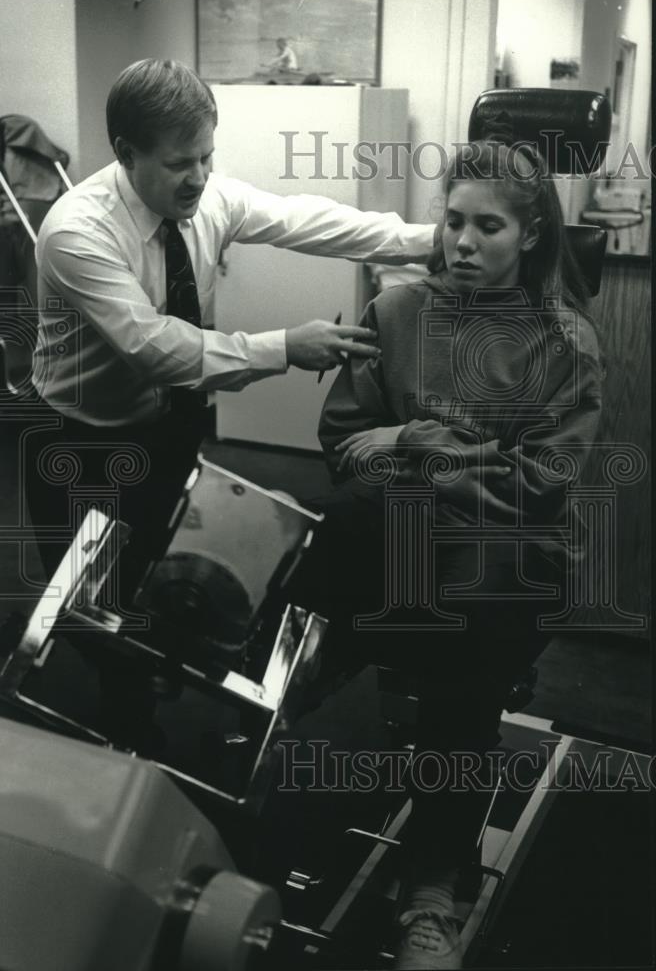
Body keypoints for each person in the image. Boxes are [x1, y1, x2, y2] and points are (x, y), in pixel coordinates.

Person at [23, 58, 435, 747]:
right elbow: (154, 346)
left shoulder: (206, 198)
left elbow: (304, 220)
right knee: (88, 609)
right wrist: (284, 346)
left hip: (170, 424)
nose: (200, 177)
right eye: (182, 162)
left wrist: (432, 242)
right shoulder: (76, 231)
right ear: (126, 154)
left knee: (164, 575)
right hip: (79, 440)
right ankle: (122, 739)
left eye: (208, 156)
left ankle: (151, 695)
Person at [288, 126, 603, 968]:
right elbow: (344, 444)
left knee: (468, 641)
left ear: (530, 235)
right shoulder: (394, 310)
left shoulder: (564, 344)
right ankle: (302, 663)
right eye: (454, 222)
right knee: (349, 518)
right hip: (395, 540)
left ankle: (432, 890)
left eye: (488, 228)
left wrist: (422, 454)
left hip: (507, 560)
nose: (463, 243)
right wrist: (409, 442)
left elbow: (536, 488)